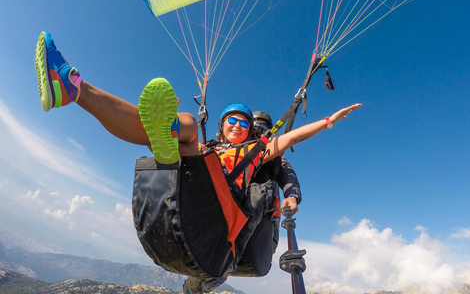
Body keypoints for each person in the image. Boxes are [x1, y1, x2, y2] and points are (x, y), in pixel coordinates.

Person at [35, 31, 361, 293]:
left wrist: (329, 120)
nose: (236, 125)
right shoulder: (212, 146)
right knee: (187, 130)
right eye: (231, 121)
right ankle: (74, 89)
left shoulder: (258, 150)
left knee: (188, 129)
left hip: (221, 214)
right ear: (222, 126)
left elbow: (291, 139)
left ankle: (169, 134)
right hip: (196, 191)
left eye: (243, 123)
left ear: (251, 130)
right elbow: (204, 145)